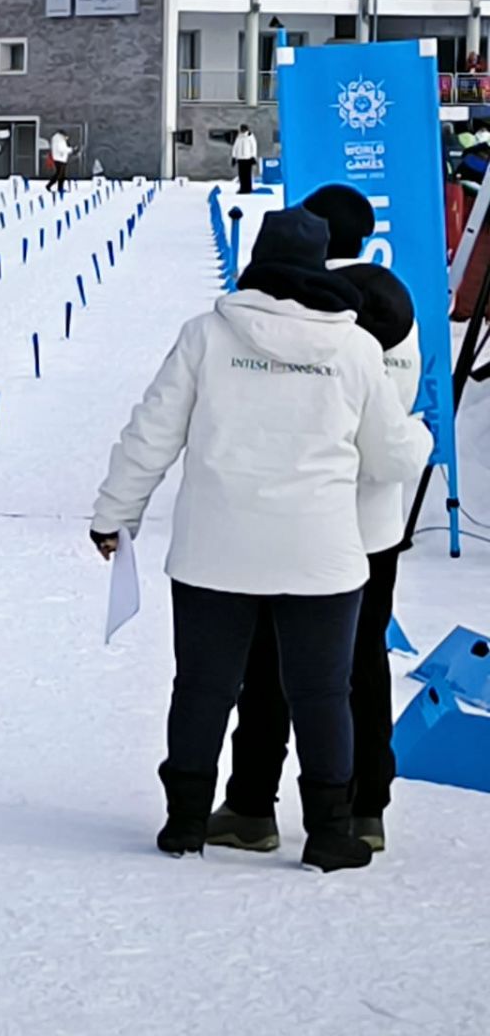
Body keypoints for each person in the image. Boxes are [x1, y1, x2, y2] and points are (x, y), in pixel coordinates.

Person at [89, 206, 432, 873]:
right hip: (320, 557)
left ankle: (186, 822)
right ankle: (330, 833)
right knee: (323, 694)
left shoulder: (205, 336)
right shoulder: (355, 349)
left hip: (214, 552)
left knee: (202, 688)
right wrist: (417, 432)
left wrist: (114, 516)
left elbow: (150, 434)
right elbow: (392, 457)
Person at [209, 186, 421, 855]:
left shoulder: (296, 309)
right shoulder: (399, 308)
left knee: (272, 663)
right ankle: (365, 807)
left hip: (303, 519)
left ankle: (251, 805)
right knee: (364, 664)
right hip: (375, 525)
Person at [233, 124, 260, 195]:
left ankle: (248, 188)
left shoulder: (250, 136)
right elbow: (235, 147)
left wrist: (253, 157)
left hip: (248, 158)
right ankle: (242, 188)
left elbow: (253, 147)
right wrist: (234, 156)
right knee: (241, 175)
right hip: (240, 158)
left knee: (247, 174)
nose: (242, 130)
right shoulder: (239, 137)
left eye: (243, 129)